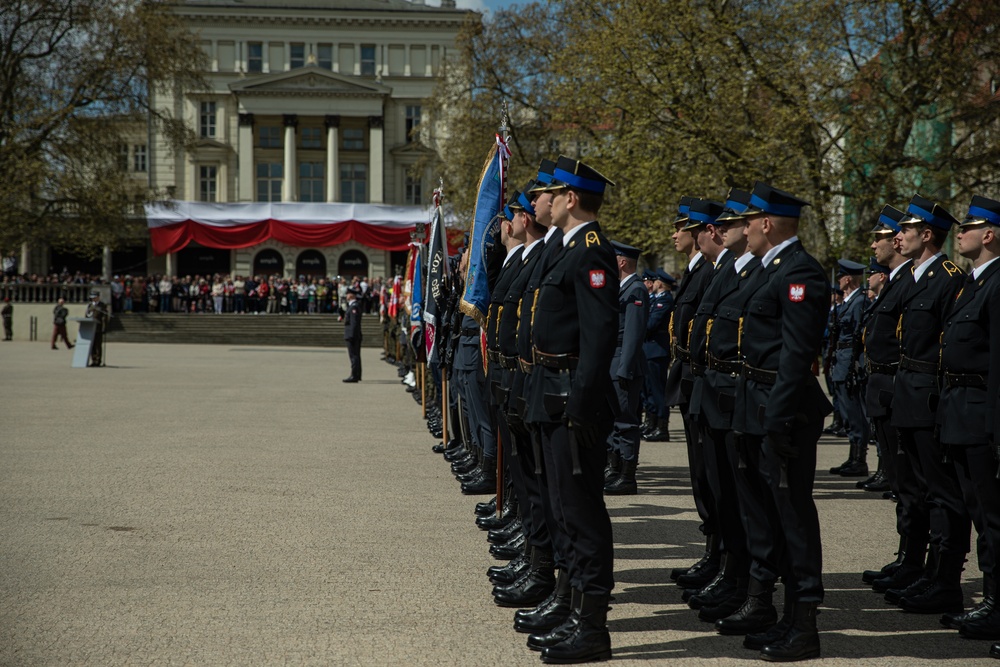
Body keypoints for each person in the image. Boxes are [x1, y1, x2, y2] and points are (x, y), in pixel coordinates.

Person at [731, 181, 832, 661]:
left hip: (782, 410)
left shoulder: (801, 273)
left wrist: (777, 417)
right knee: (769, 515)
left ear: (767, 223)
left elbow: (796, 356)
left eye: (749, 220)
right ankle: (784, 615)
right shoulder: (770, 269)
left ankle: (805, 624)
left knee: (793, 517)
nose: (743, 228)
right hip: (759, 403)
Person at [523, 155, 618, 663]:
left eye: (552, 192)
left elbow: (600, 339)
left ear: (571, 198)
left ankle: (593, 627)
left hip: (571, 399)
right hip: (550, 391)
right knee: (561, 506)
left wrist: (581, 406)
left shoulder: (591, 252)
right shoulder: (566, 249)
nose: (546, 199)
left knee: (581, 511)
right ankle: (571, 604)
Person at [887, 194, 968, 616]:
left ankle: (945, 578)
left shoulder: (948, 277)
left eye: (906, 229)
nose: (897, 236)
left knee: (942, 493)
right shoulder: (916, 276)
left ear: (928, 234)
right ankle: (924, 571)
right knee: (917, 488)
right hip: (908, 394)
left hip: (930, 396)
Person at [936, 195, 1000, 648]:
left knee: (993, 516)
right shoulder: (973, 283)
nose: (959, 234)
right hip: (960, 411)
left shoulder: (997, 284)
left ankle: (997, 602)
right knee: (979, 512)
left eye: (969, 227)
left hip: (982, 416)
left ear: (990, 234)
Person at [604, 241, 648, 495]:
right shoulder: (621, 288)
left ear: (621, 262)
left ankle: (628, 476)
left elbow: (633, 334)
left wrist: (625, 369)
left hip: (623, 363)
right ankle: (616, 467)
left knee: (626, 421)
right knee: (613, 419)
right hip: (613, 361)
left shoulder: (636, 289)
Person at [827, 259, 871, 478]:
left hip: (850, 362)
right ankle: (853, 456)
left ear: (848, 279)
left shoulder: (859, 302)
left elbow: (857, 335)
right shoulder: (848, 302)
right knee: (847, 409)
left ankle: (859, 458)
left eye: (841, 277)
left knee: (855, 412)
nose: (838, 281)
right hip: (841, 360)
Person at [341, 286, 363, 382]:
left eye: (348, 294)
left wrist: (352, 335)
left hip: (353, 335)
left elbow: (354, 323)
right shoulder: (352, 306)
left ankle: (354, 375)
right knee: (355, 355)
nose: (346, 296)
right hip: (353, 334)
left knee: (353, 355)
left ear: (352, 295)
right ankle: (357, 374)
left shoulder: (354, 307)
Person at [85, 289, 109, 367]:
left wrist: (104, 327)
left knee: (98, 345)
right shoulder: (89, 305)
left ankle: (98, 360)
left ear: (98, 297)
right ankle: (93, 360)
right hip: (90, 327)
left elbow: (105, 317)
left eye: (94, 297)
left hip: (98, 327)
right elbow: (87, 314)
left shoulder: (102, 305)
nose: (93, 299)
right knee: (92, 345)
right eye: (92, 297)